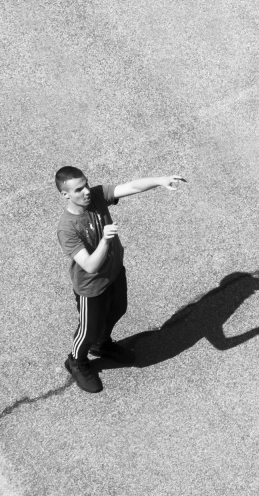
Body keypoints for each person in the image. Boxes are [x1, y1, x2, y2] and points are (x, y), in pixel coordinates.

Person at [55, 166, 187, 393]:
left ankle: (102, 344)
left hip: (114, 273)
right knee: (88, 330)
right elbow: (90, 266)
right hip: (91, 287)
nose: (86, 191)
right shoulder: (67, 228)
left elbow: (132, 187)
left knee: (119, 309)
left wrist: (160, 179)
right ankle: (76, 360)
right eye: (78, 189)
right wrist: (105, 241)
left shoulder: (96, 195)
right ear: (65, 194)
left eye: (86, 184)